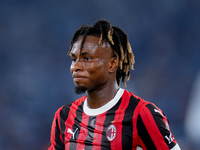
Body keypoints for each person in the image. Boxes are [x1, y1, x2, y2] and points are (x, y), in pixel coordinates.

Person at [49, 19, 180, 150]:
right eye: (74, 59)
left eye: (87, 58)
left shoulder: (141, 114)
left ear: (112, 64)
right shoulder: (64, 116)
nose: (76, 67)